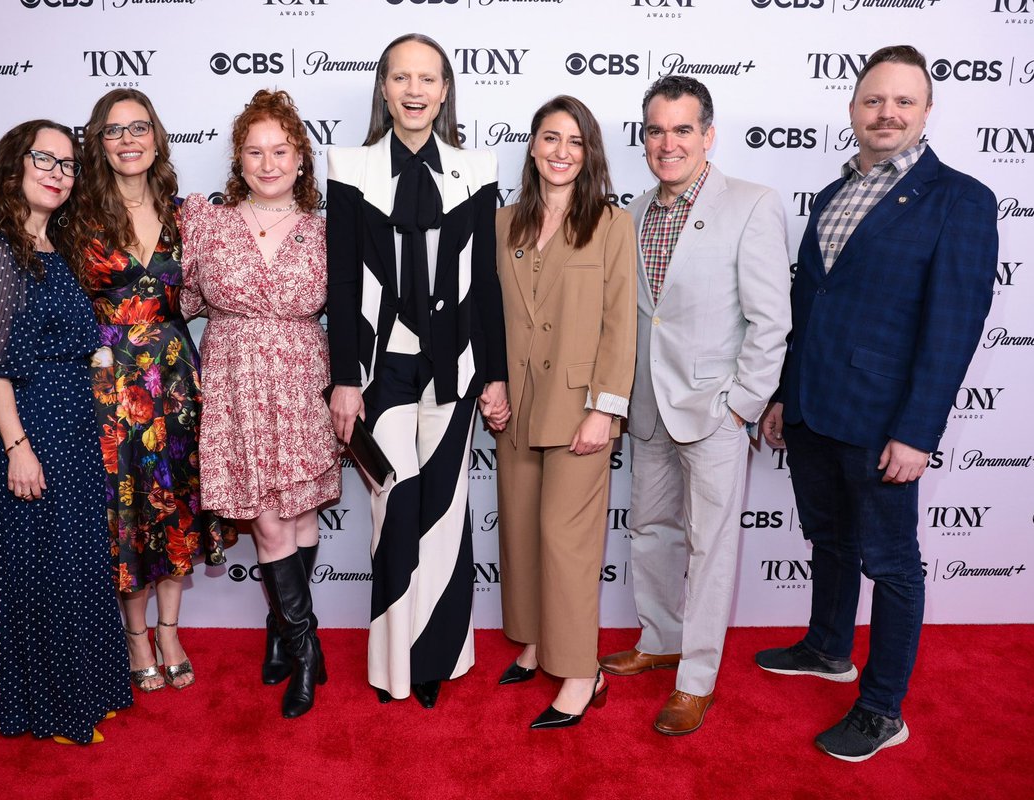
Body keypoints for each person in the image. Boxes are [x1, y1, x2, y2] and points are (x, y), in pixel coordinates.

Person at [754, 45, 999, 762]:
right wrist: (780, 395)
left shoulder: (961, 199)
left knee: (893, 564)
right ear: (853, 109)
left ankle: (883, 708)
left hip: (885, 421)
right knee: (828, 541)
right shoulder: (832, 195)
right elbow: (810, 305)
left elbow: (953, 329)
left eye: (903, 101)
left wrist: (919, 432)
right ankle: (829, 646)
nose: (886, 113)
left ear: (926, 112)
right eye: (873, 100)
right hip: (811, 407)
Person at [598, 75, 791, 736]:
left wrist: (740, 405)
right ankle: (661, 638)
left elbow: (771, 322)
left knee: (711, 546)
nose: (668, 142)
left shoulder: (752, 204)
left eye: (683, 129)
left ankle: (697, 679)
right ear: (644, 138)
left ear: (709, 135)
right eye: (656, 130)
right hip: (647, 404)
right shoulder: (634, 211)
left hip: (713, 410)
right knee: (650, 530)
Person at [326, 33, 508, 710]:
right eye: (401, 77)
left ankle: (437, 660)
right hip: (383, 371)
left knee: (446, 514)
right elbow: (342, 283)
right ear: (382, 87)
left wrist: (494, 374)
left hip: (456, 367)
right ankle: (391, 665)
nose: (414, 90)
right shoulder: (348, 167)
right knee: (392, 509)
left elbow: (486, 285)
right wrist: (346, 377)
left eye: (427, 78)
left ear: (444, 90)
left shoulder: (477, 167)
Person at [0, 120, 132, 744]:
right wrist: (16, 447)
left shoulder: (52, 245)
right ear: (13, 168)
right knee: (40, 570)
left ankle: (88, 690)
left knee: (77, 564)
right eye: (45, 160)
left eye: (68, 164)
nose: (58, 173)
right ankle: (51, 709)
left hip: (73, 425)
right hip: (30, 426)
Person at [181, 89, 340, 719]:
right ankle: (306, 650)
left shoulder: (328, 230)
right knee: (269, 522)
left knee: (300, 516)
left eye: (281, 150)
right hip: (236, 383)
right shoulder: (206, 223)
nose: (268, 163)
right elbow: (180, 303)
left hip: (303, 380)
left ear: (301, 158)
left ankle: (282, 632)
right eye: (255, 151)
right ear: (237, 159)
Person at [76, 88, 233, 694]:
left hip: (173, 381)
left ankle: (171, 630)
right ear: (100, 142)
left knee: (173, 507)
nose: (128, 140)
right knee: (126, 513)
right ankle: (136, 636)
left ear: (157, 136)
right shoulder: (79, 217)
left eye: (138, 127)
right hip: (109, 386)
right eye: (114, 131)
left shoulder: (182, 213)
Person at [493, 95, 636, 729]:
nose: (560, 151)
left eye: (574, 141)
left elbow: (620, 326)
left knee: (566, 541)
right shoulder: (502, 223)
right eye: (550, 138)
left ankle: (581, 671)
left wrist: (605, 410)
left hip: (581, 409)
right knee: (521, 531)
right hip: (515, 407)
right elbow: (485, 317)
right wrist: (491, 382)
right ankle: (534, 642)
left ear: (589, 154)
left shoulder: (611, 224)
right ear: (531, 146)